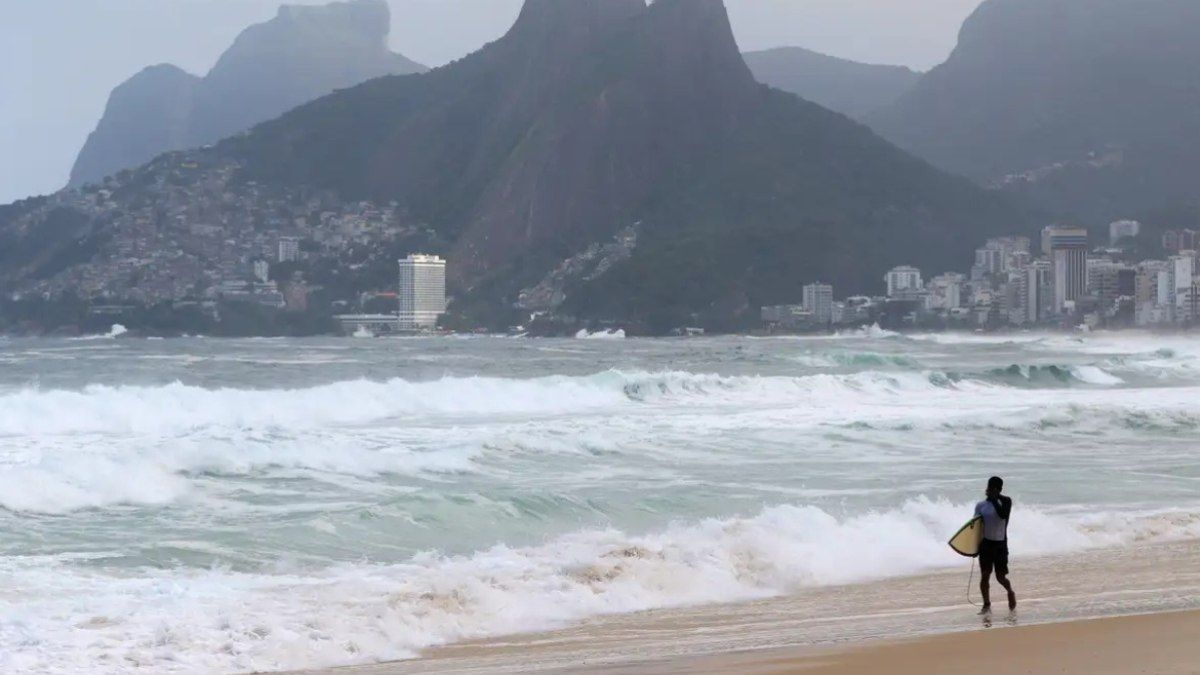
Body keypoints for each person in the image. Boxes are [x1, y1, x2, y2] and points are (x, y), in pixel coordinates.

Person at [975, 476, 1017, 613]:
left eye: (993, 488)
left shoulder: (1006, 501)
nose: (989, 490)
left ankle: (1010, 592)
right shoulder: (981, 505)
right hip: (986, 544)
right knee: (985, 575)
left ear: (999, 489)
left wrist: (993, 499)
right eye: (989, 487)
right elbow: (975, 527)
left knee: (1000, 577)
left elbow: (1002, 515)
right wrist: (973, 548)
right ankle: (986, 604)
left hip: (1000, 544)